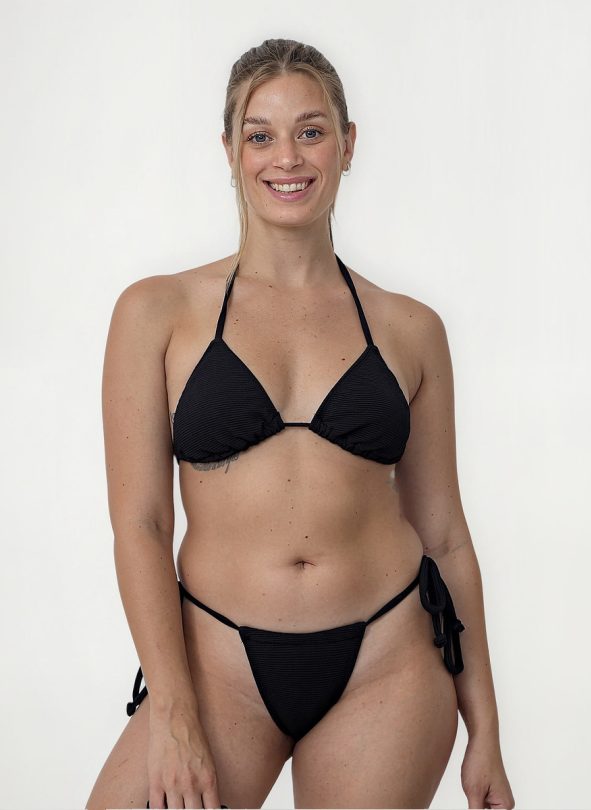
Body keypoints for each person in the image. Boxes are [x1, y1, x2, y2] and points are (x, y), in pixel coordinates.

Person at [86, 37, 514, 810]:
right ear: (230, 151)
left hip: (388, 662)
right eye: (261, 135)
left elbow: (446, 535)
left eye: (311, 131)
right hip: (217, 665)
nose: (287, 157)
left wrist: (486, 728)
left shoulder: (411, 329)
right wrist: (173, 715)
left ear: (347, 145)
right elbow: (141, 526)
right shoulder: (157, 313)